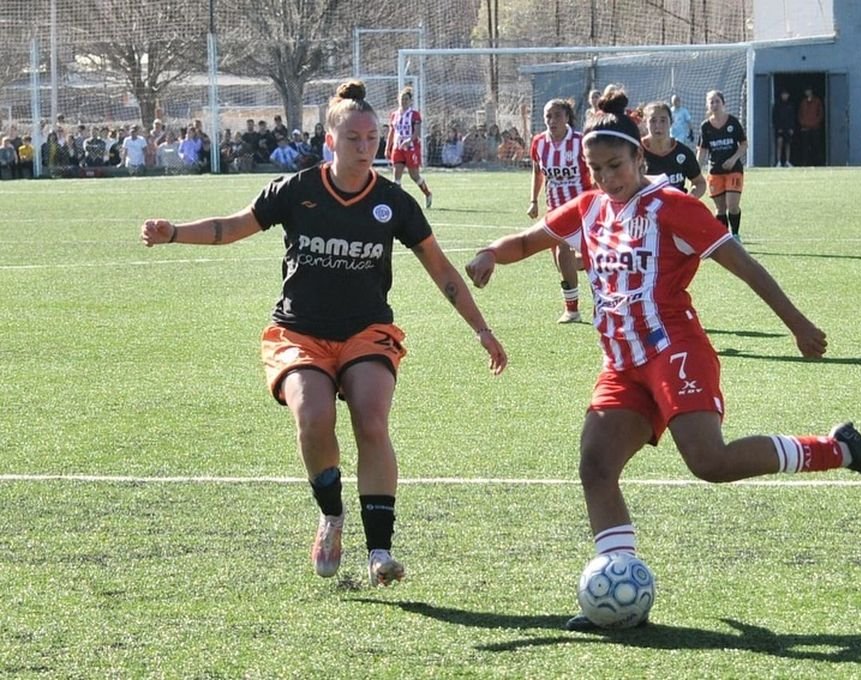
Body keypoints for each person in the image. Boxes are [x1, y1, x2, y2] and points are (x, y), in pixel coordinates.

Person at [464, 85, 861, 631]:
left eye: (616, 165)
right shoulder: (590, 207)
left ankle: (836, 449)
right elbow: (530, 240)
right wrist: (491, 253)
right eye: (596, 168)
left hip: (675, 348)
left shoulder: (672, 206)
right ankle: (618, 587)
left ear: (638, 157)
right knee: (596, 466)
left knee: (709, 463)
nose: (606, 178)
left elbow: (744, 265)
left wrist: (797, 324)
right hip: (622, 364)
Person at [139, 79, 508, 586]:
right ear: (330, 141)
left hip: (366, 331)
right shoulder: (298, 191)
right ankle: (331, 516)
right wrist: (175, 232)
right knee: (313, 418)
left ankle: (380, 549)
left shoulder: (394, 202)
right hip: (300, 333)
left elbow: (441, 270)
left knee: (371, 419)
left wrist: (482, 330)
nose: (364, 148)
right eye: (353, 138)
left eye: (372, 138)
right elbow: (234, 226)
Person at [528, 98, 592, 324]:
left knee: (566, 253)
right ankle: (593, 263)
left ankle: (574, 310)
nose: (551, 120)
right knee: (561, 262)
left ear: (567, 117)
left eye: (556, 115)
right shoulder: (538, 143)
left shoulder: (580, 142)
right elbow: (538, 173)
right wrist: (533, 200)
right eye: (548, 116)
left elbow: (595, 169)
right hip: (555, 209)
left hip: (582, 208)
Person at [697, 90, 748, 243]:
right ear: (707, 105)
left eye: (717, 101)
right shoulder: (705, 126)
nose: (714, 104)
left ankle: (736, 235)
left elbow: (744, 145)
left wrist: (733, 159)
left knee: (732, 205)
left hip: (734, 171)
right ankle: (725, 239)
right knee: (720, 209)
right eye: (711, 102)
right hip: (715, 172)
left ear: (723, 103)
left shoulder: (732, 122)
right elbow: (703, 150)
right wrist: (695, 170)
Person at [641, 101, 706, 199]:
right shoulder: (635, 151)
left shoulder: (683, 152)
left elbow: (699, 183)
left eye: (663, 120)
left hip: (675, 210)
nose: (658, 126)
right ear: (645, 122)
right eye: (653, 120)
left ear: (671, 122)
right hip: (645, 210)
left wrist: (687, 200)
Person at [385, 86, 433, 208]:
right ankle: (398, 203)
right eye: (402, 99)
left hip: (411, 148)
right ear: (398, 99)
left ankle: (427, 193)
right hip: (397, 147)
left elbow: (417, 132)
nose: (404, 101)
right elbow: (391, 132)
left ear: (410, 100)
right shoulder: (394, 115)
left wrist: (409, 140)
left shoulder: (415, 114)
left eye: (406, 99)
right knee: (396, 177)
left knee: (414, 176)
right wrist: (388, 147)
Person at [798, 87, 825, 166]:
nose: (807, 92)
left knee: (816, 146)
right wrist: (802, 122)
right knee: (805, 147)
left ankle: (818, 163)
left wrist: (816, 122)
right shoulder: (803, 102)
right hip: (805, 128)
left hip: (815, 128)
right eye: (806, 91)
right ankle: (805, 163)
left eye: (808, 90)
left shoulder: (817, 101)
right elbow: (799, 114)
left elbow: (821, 113)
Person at [773, 89, 797, 167]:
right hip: (780, 128)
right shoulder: (777, 105)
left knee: (788, 144)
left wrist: (791, 128)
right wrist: (778, 127)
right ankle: (779, 161)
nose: (785, 96)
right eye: (783, 94)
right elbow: (775, 117)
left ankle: (787, 161)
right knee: (779, 143)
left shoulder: (790, 105)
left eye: (786, 94)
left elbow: (792, 117)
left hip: (788, 128)